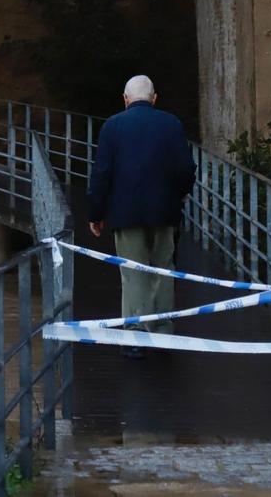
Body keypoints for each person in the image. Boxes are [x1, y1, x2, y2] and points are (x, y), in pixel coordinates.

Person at [86, 75, 196, 357]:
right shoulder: (171, 124)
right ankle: (162, 333)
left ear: (125, 99)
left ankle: (135, 338)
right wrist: (180, 193)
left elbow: (102, 173)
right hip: (164, 210)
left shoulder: (112, 126)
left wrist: (96, 212)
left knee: (133, 274)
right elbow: (186, 168)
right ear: (154, 98)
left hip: (125, 213)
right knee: (162, 269)